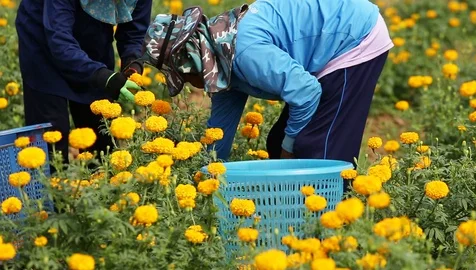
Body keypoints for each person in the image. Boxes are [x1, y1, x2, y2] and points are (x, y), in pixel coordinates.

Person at [139, 0, 393, 168]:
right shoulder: (222, 56)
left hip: (353, 38)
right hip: (330, 42)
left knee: (317, 152)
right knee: (278, 142)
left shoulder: (245, 52)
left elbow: (306, 92)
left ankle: (333, 228)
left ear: (192, 62)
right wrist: (208, 172)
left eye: (183, 77)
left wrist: (289, 152)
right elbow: (220, 129)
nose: (190, 86)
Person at [15, 0, 152, 164]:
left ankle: (99, 185)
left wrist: (133, 62)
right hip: (42, 36)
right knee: (51, 139)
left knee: (100, 137)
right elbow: (59, 40)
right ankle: (51, 187)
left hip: (94, 37)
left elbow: (134, 32)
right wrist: (101, 76)